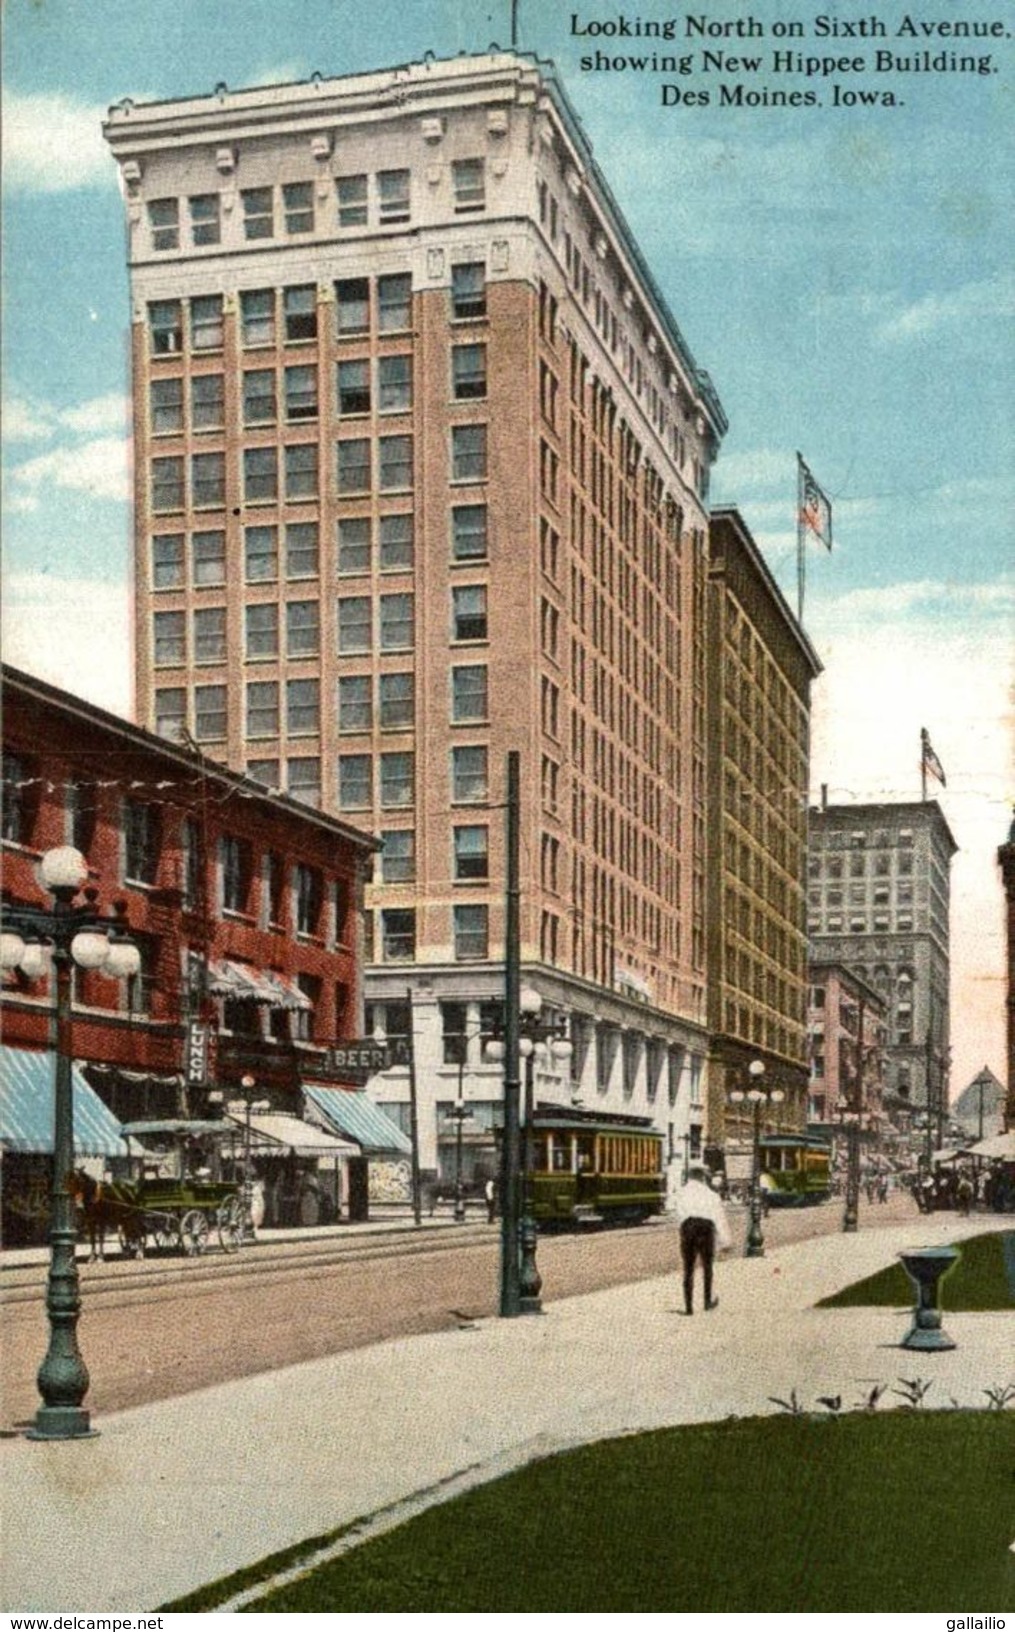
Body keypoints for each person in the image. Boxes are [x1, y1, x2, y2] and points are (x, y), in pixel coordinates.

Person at [672, 1164, 731, 1315]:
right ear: (703, 1177)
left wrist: (684, 1229)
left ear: (690, 1176)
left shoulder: (681, 1193)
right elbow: (719, 1218)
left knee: (688, 1268)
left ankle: (689, 1307)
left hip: (689, 1226)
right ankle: (707, 1301)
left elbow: (678, 1214)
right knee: (707, 1266)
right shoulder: (711, 1195)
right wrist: (725, 1240)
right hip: (706, 1228)